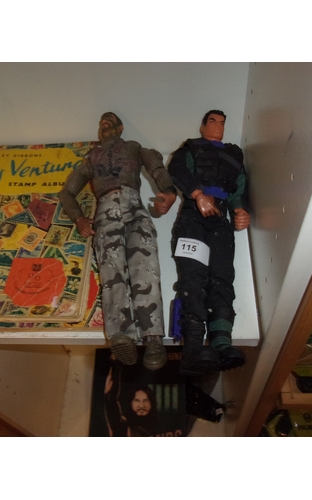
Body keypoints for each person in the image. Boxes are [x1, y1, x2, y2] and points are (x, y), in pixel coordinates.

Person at [59, 112, 176, 370]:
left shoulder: (134, 147)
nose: (105, 122)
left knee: (146, 267)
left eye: (111, 120)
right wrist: (79, 218)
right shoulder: (91, 158)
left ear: (121, 127)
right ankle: (121, 334)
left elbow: (156, 167)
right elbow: (67, 193)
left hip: (135, 206)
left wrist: (169, 192)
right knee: (112, 271)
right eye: (102, 121)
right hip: (105, 210)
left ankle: (153, 339)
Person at [168, 110, 250, 375]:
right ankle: (192, 345)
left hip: (220, 219)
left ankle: (222, 341)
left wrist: (239, 209)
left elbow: (239, 187)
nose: (218, 126)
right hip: (193, 216)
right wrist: (197, 194)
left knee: (222, 276)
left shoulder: (234, 155)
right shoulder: (191, 148)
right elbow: (177, 169)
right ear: (203, 126)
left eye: (222, 122)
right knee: (193, 276)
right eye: (212, 121)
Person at [104, 363, 158, 437]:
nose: (141, 405)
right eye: (137, 401)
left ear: (152, 403)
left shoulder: (161, 425)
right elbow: (112, 402)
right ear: (131, 403)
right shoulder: (125, 427)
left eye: (145, 401)